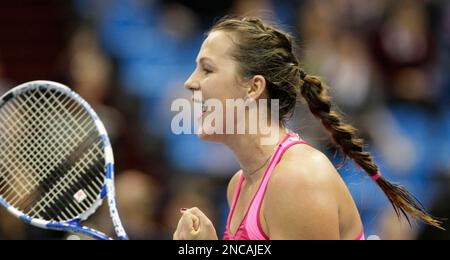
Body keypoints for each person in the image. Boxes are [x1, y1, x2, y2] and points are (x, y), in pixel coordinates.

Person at [173, 16, 442, 240]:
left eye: (206, 70)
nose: (190, 82)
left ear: (253, 87)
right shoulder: (240, 185)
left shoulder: (298, 179)